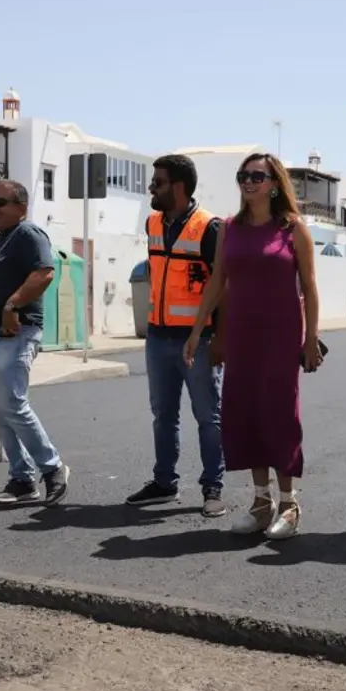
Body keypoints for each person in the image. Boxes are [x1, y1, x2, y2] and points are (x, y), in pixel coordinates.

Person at [184, 153, 321, 539]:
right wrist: (199, 331)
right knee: (245, 413)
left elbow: (309, 288)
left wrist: (310, 339)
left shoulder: (293, 228)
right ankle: (261, 503)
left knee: (279, 414)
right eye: (243, 175)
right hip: (242, 335)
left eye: (257, 176)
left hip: (280, 335)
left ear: (275, 183)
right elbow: (217, 284)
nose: (248, 181)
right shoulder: (230, 227)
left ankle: (289, 503)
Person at [125, 154, 226, 517]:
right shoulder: (153, 222)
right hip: (158, 335)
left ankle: (213, 488)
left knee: (208, 416)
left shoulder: (209, 227)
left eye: (158, 182)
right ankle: (164, 483)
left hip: (197, 340)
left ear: (179, 187)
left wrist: (220, 337)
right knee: (163, 415)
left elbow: (222, 286)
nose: (151, 188)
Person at [0, 180, 70, 506]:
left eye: (0, 202)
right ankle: (21, 479)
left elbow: (44, 273)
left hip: (16, 333)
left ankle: (53, 469)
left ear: (21, 208)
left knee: (12, 404)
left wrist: (12, 305)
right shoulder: (3, 240)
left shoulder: (28, 234)